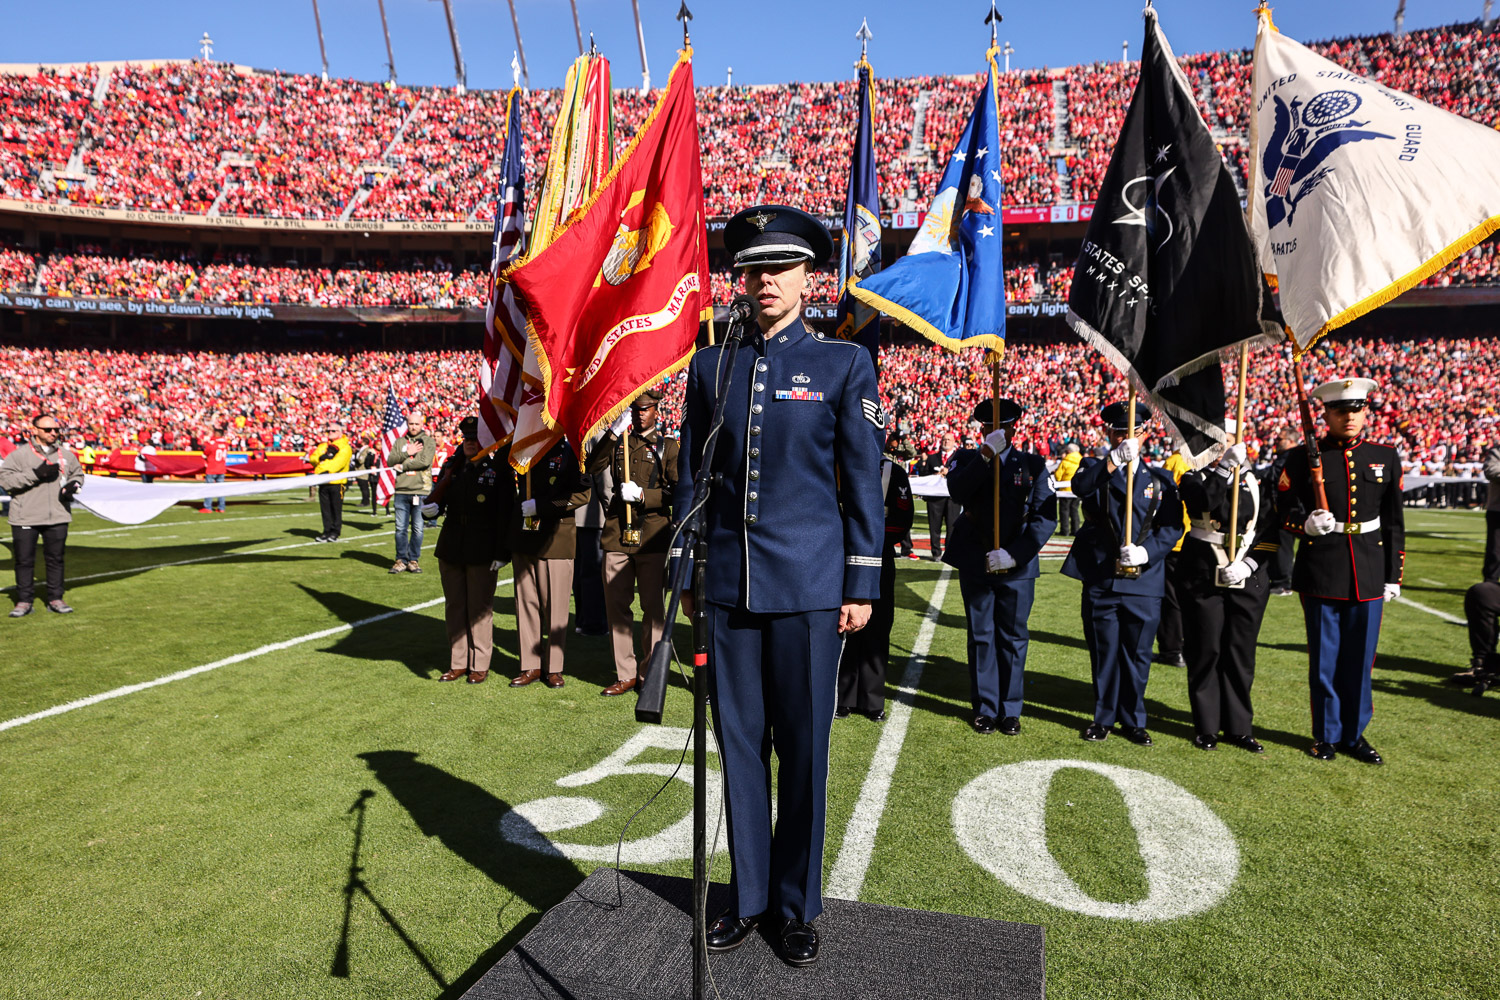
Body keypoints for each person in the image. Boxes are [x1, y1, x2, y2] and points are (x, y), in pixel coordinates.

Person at [676, 204, 883, 967]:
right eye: (753, 269)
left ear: (807, 278)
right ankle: (748, 897)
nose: (765, 281)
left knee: (803, 750)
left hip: (809, 588)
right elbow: (694, 478)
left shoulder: (843, 364)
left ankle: (797, 907)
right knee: (738, 748)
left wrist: (861, 580)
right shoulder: (711, 367)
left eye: (780, 268)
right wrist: (690, 571)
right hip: (729, 586)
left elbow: (864, 482)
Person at [1276, 377, 1404, 764]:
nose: (1349, 417)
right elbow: (1283, 508)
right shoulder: (1301, 458)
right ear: (1326, 414)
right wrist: (1304, 523)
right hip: (1322, 569)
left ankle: (1355, 734)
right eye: (1340, 410)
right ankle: (1327, 735)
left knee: (1361, 661)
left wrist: (1392, 576)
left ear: (1366, 411)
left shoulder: (1385, 455)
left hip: (1368, 568)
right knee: (1325, 660)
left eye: (1356, 409)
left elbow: (1394, 521)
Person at [1062, 401, 1185, 745]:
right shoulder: (1095, 468)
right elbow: (1081, 487)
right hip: (1103, 577)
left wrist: (1147, 552)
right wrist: (1113, 460)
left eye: (1133, 432)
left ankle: (1133, 719)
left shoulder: (1160, 479)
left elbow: (1172, 528)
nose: (1125, 438)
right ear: (1108, 433)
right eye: (1118, 432)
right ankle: (1103, 717)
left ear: (1145, 435)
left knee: (1138, 654)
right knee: (1104, 652)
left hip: (1143, 580)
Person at [943, 398, 1058, 735]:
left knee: (1013, 637)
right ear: (981, 429)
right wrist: (983, 456)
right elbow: (957, 491)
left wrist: (1015, 554)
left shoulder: (1033, 465)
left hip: (1017, 566)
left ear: (1013, 428)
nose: (995, 431)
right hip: (976, 559)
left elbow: (1044, 518)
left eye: (1001, 427)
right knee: (981, 636)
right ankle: (985, 707)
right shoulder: (965, 458)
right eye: (988, 427)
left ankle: (1010, 709)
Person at [1176, 421, 1280, 752]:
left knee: (1239, 651)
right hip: (1203, 570)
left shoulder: (1258, 478)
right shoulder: (1192, 475)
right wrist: (1222, 469)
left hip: (1247, 573)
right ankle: (1207, 726)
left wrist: (1248, 565)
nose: (1224, 445)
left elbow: (1272, 529)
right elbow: (1204, 503)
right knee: (1206, 648)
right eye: (1217, 441)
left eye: (1229, 440)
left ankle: (1239, 726)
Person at [586, 387, 679, 697]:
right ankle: (625, 673)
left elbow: (676, 492)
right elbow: (592, 467)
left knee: (652, 607)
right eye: (636, 409)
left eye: (645, 409)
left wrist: (644, 496)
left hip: (651, 535)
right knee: (616, 606)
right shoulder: (618, 443)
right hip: (617, 534)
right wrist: (613, 433)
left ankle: (649, 673)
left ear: (656, 411)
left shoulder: (668, 447)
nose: (640, 414)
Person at [431, 417, 514, 684]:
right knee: (455, 606)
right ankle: (458, 661)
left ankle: (479, 663)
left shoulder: (497, 470)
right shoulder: (453, 468)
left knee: (479, 608)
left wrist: (503, 552)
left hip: (483, 548)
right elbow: (439, 499)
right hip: (452, 546)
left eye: (474, 438)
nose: (468, 442)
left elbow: (505, 513)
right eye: (465, 437)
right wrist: (432, 507)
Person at [838, 441, 916, 721]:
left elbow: (902, 517)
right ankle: (843, 696)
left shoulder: (891, 472)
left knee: (878, 626)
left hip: (878, 556)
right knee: (843, 624)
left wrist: (870, 541)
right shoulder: (836, 462)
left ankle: (871, 699)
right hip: (838, 555)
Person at [504, 439, 591, 688]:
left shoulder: (571, 453)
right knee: (526, 605)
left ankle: (554, 668)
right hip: (524, 536)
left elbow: (582, 495)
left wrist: (542, 508)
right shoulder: (523, 448)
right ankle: (530, 665)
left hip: (556, 538)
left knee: (556, 607)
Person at [1, 415, 84, 616]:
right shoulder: (19, 455)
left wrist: (75, 485)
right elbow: (5, 481)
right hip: (25, 516)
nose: (53, 433)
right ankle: (24, 601)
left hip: (57, 516)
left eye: (56, 429)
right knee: (24, 561)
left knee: (56, 560)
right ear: (35, 430)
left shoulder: (66, 454)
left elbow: (78, 474)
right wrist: (36, 475)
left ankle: (56, 598)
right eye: (48, 430)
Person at [387, 411, 436, 573]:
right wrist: (407, 453)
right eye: (411, 424)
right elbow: (391, 460)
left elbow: (424, 461)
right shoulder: (400, 441)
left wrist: (404, 465)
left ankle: (413, 560)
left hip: (420, 490)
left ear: (422, 425)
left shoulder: (428, 441)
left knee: (417, 528)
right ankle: (400, 559)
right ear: (407, 424)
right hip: (401, 490)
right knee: (400, 528)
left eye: (417, 424)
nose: (413, 427)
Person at [1265, 430, 1300, 594]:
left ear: (1291, 441)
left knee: (1282, 544)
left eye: (1280, 439)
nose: (1277, 441)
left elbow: (1277, 481)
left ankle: (1283, 582)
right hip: (1283, 508)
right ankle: (1280, 579)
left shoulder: (1291, 457)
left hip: (1285, 508)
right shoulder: (1288, 457)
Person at [917, 431, 961, 559]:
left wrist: (949, 472)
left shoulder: (959, 458)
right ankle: (936, 552)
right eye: (944, 439)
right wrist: (934, 476)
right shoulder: (932, 458)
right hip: (935, 498)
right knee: (934, 526)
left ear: (954, 442)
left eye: (949, 439)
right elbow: (923, 475)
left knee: (952, 526)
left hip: (953, 498)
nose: (946, 441)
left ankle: (950, 552)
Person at [308, 421, 352, 542]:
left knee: (336, 509)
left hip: (337, 482)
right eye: (328, 431)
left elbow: (338, 464)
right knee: (325, 509)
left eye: (333, 431)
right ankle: (326, 531)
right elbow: (313, 458)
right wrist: (320, 458)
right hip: (323, 482)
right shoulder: (323, 446)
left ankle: (335, 532)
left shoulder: (345, 447)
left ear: (339, 432)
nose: (330, 433)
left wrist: (322, 467)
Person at [1054, 442, 1083, 537]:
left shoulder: (1065, 461)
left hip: (1065, 490)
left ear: (1069, 451)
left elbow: (1058, 476)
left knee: (1064, 510)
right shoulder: (1082, 461)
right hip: (1077, 489)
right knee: (1075, 510)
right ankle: (1076, 530)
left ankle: (1065, 530)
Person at [199, 424, 230, 514]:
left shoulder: (212, 443)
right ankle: (221, 507)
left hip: (212, 468)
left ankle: (208, 507)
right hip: (221, 468)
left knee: (209, 488)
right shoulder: (225, 444)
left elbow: (205, 454)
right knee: (221, 489)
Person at [1483, 442, 1500, 582]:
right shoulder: (1496, 452)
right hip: (1497, 510)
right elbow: (1491, 471)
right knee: (1495, 552)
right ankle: (1490, 585)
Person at [354, 435, 378, 511]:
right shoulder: (364, 449)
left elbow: (361, 460)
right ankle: (365, 500)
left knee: (364, 487)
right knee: (363, 487)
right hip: (360, 471)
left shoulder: (366, 450)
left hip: (362, 471)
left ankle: (365, 501)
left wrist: (357, 458)